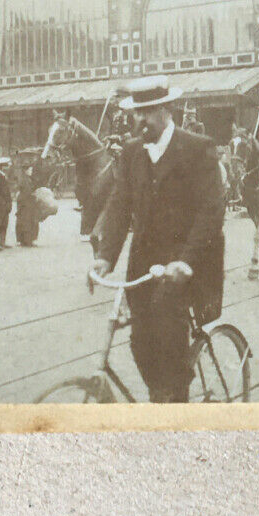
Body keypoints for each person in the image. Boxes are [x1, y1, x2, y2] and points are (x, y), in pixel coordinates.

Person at [92, 77, 225, 404]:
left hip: (188, 263)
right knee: (139, 340)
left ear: (166, 110)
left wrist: (186, 262)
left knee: (168, 335)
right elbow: (120, 205)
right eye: (136, 113)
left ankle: (175, 402)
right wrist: (105, 257)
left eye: (147, 112)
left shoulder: (197, 148)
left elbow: (211, 212)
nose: (140, 120)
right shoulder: (132, 152)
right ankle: (162, 394)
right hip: (144, 266)